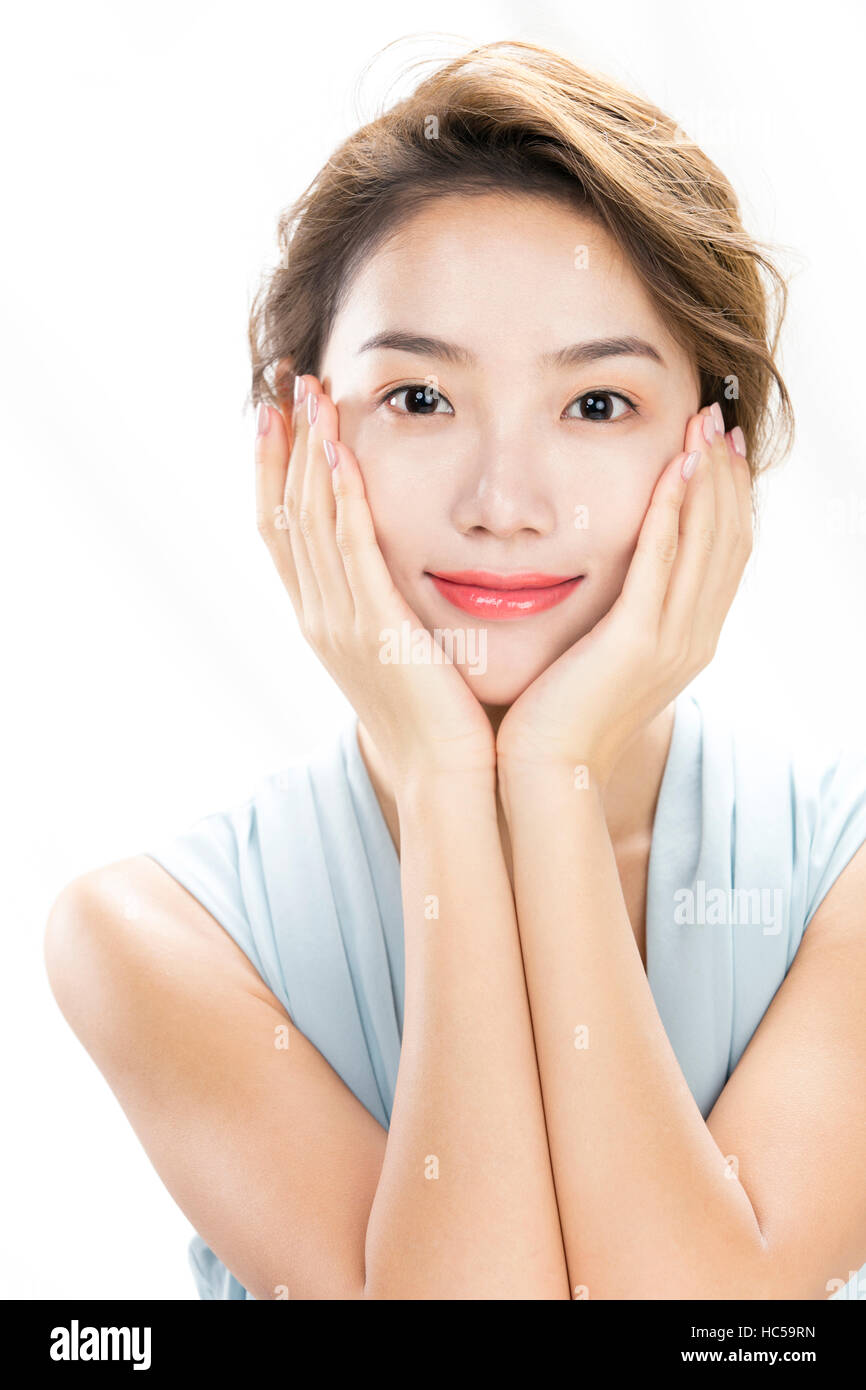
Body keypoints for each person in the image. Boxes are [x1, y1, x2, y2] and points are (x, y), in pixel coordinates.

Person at [44, 40, 866, 1301]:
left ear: (718, 452)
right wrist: (444, 783)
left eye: (595, 405)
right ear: (295, 439)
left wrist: (546, 780)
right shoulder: (148, 939)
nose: (503, 503)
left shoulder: (838, 888)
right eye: (419, 398)